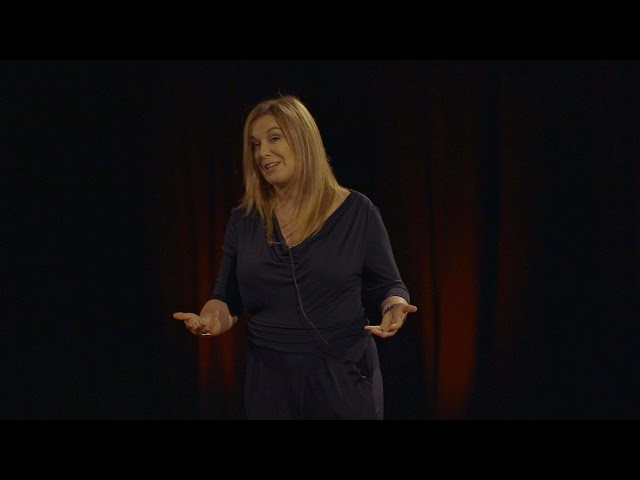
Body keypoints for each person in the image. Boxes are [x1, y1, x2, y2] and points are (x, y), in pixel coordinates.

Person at [173, 94, 417, 420]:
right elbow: (226, 299)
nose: (262, 152)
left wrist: (394, 307)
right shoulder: (244, 220)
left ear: (303, 139)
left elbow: (388, 285)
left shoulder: (358, 212)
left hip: (342, 378)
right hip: (269, 384)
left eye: (274, 138)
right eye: (255, 144)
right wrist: (210, 320)